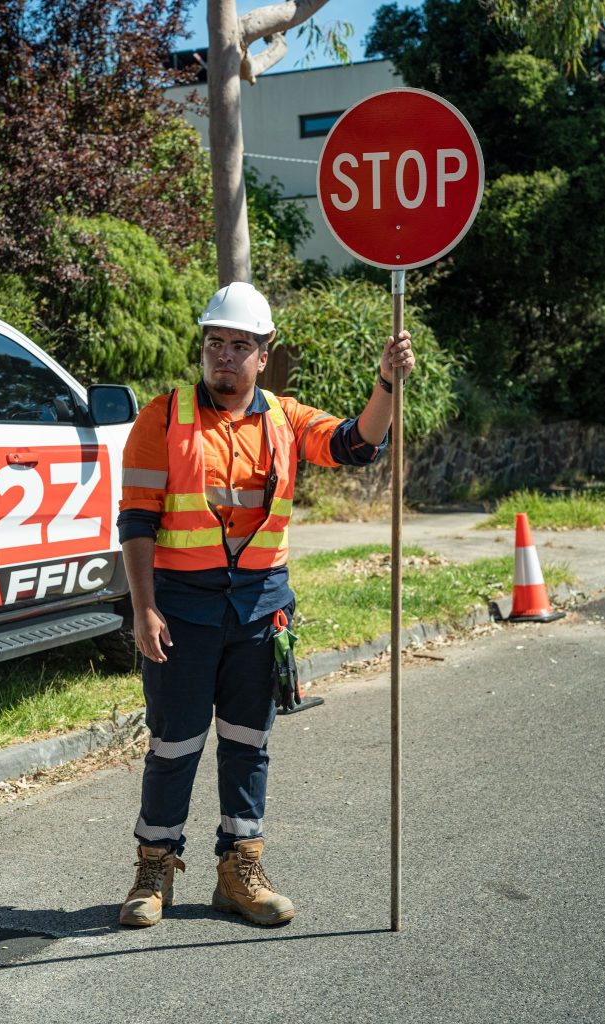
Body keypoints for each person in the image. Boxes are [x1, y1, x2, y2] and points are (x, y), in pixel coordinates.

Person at [116, 281, 415, 928]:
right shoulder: (161, 418)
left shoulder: (284, 419)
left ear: (263, 352)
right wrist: (143, 609)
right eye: (214, 343)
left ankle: (240, 868)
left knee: (248, 743)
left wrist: (386, 384)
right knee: (174, 746)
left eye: (238, 345)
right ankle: (153, 866)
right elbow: (136, 521)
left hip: (259, 611)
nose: (223, 355)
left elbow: (355, 446)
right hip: (181, 609)